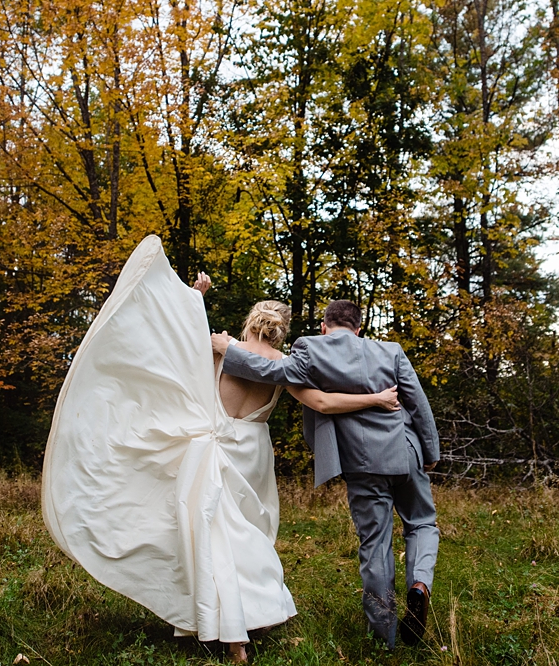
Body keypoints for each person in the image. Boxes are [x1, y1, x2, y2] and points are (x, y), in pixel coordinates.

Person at [41, 236, 398, 662]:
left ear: (250, 321)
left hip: (214, 448)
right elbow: (322, 403)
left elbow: (167, 351)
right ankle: (247, 617)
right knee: (246, 533)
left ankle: (231, 633)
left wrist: (194, 299)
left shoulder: (221, 352)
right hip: (252, 455)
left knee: (215, 535)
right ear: (281, 330)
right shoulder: (286, 368)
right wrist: (376, 399)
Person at [212, 299, 441, 649]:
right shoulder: (391, 351)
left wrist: (229, 350)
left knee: (375, 543)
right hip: (406, 451)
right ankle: (420, 584)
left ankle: (386, 637)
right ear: (359, 328)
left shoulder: (310, 348)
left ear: (324, 325)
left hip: (362, 461)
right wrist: (431, 453)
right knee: (422, 523)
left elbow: (272, 372)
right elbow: (417, 402)